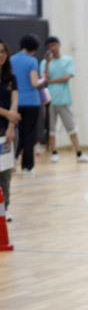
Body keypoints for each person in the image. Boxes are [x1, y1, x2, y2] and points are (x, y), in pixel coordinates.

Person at [40, 36, 88, 163]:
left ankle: (79, 153)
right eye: (50, 46)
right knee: (51, 128)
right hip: (49, 100)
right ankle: (54, 152)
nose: (52, 48)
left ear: (59, 45)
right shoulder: (44, 62)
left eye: (54, 45)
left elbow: (67, 77)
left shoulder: (68, 60)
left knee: (71, 127)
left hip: (64, 99)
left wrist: (52, 81)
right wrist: (47, 63)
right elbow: (44, 78)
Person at [10, 33, 46, 175]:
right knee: (29, 134)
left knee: (16, 133)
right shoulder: (32, 61)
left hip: (16, 101)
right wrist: (42, 79)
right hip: (31, 102)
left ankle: (11, 161)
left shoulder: (11, 59)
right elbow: (34, 82)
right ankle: (28, 166)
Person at [0, 39, 20, 221]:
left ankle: (3, 209)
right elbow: (9, 111)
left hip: (7, 129)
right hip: (5, 119)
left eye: (3, 52)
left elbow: (15, 100)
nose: (1, 55)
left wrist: (11, 126)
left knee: (6, 171)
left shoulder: (11, 78)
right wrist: (8, 115)